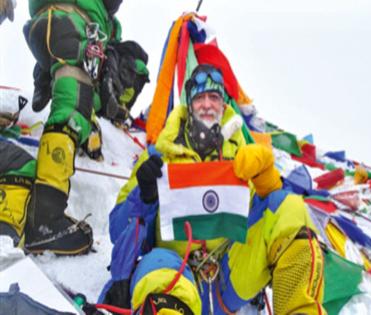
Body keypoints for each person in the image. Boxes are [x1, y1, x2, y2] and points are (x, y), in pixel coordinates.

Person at [100, 64, 326, 315]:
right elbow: (117, 230)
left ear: (223, 105)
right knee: (157, 266)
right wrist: (143, 196)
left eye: (214, 97)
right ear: (189, 104)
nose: (207, 105)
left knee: (291, 209)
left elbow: (269, 222)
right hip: (172, 273)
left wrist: (266, 179)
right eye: (200, 98)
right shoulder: (158, 157)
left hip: (226, 280)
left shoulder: (242, 157)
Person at [22, 0, 149, 255]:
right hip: (69, 25)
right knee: (71, 110)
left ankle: (46, 214)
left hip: (50, 27)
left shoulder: (103, 23)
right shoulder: (95, 17)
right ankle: (45, 219)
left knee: (80, 104)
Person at [0, 92, 35, 248]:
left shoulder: (14, 141)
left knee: (6, 222)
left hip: (18, 171)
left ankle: (5, 242)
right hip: (20, 170)